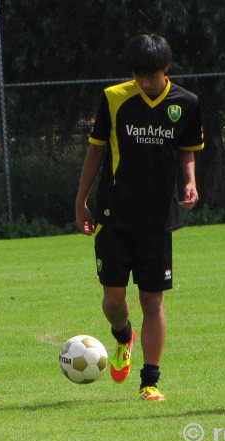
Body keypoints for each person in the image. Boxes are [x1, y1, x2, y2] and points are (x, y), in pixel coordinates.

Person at [75, 34, 204, 401]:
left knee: (153, 302)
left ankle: (150, 382)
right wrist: (81, 200)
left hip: (158, 219)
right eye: (139, 75)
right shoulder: (114, 98)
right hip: (114, 214)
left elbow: (187, 152)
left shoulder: (186, 103)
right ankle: (122, 335)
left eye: (152, 74)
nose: (145, 82)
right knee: (114, 299)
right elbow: (95, 152)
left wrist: (190, 182)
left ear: (167, 68)